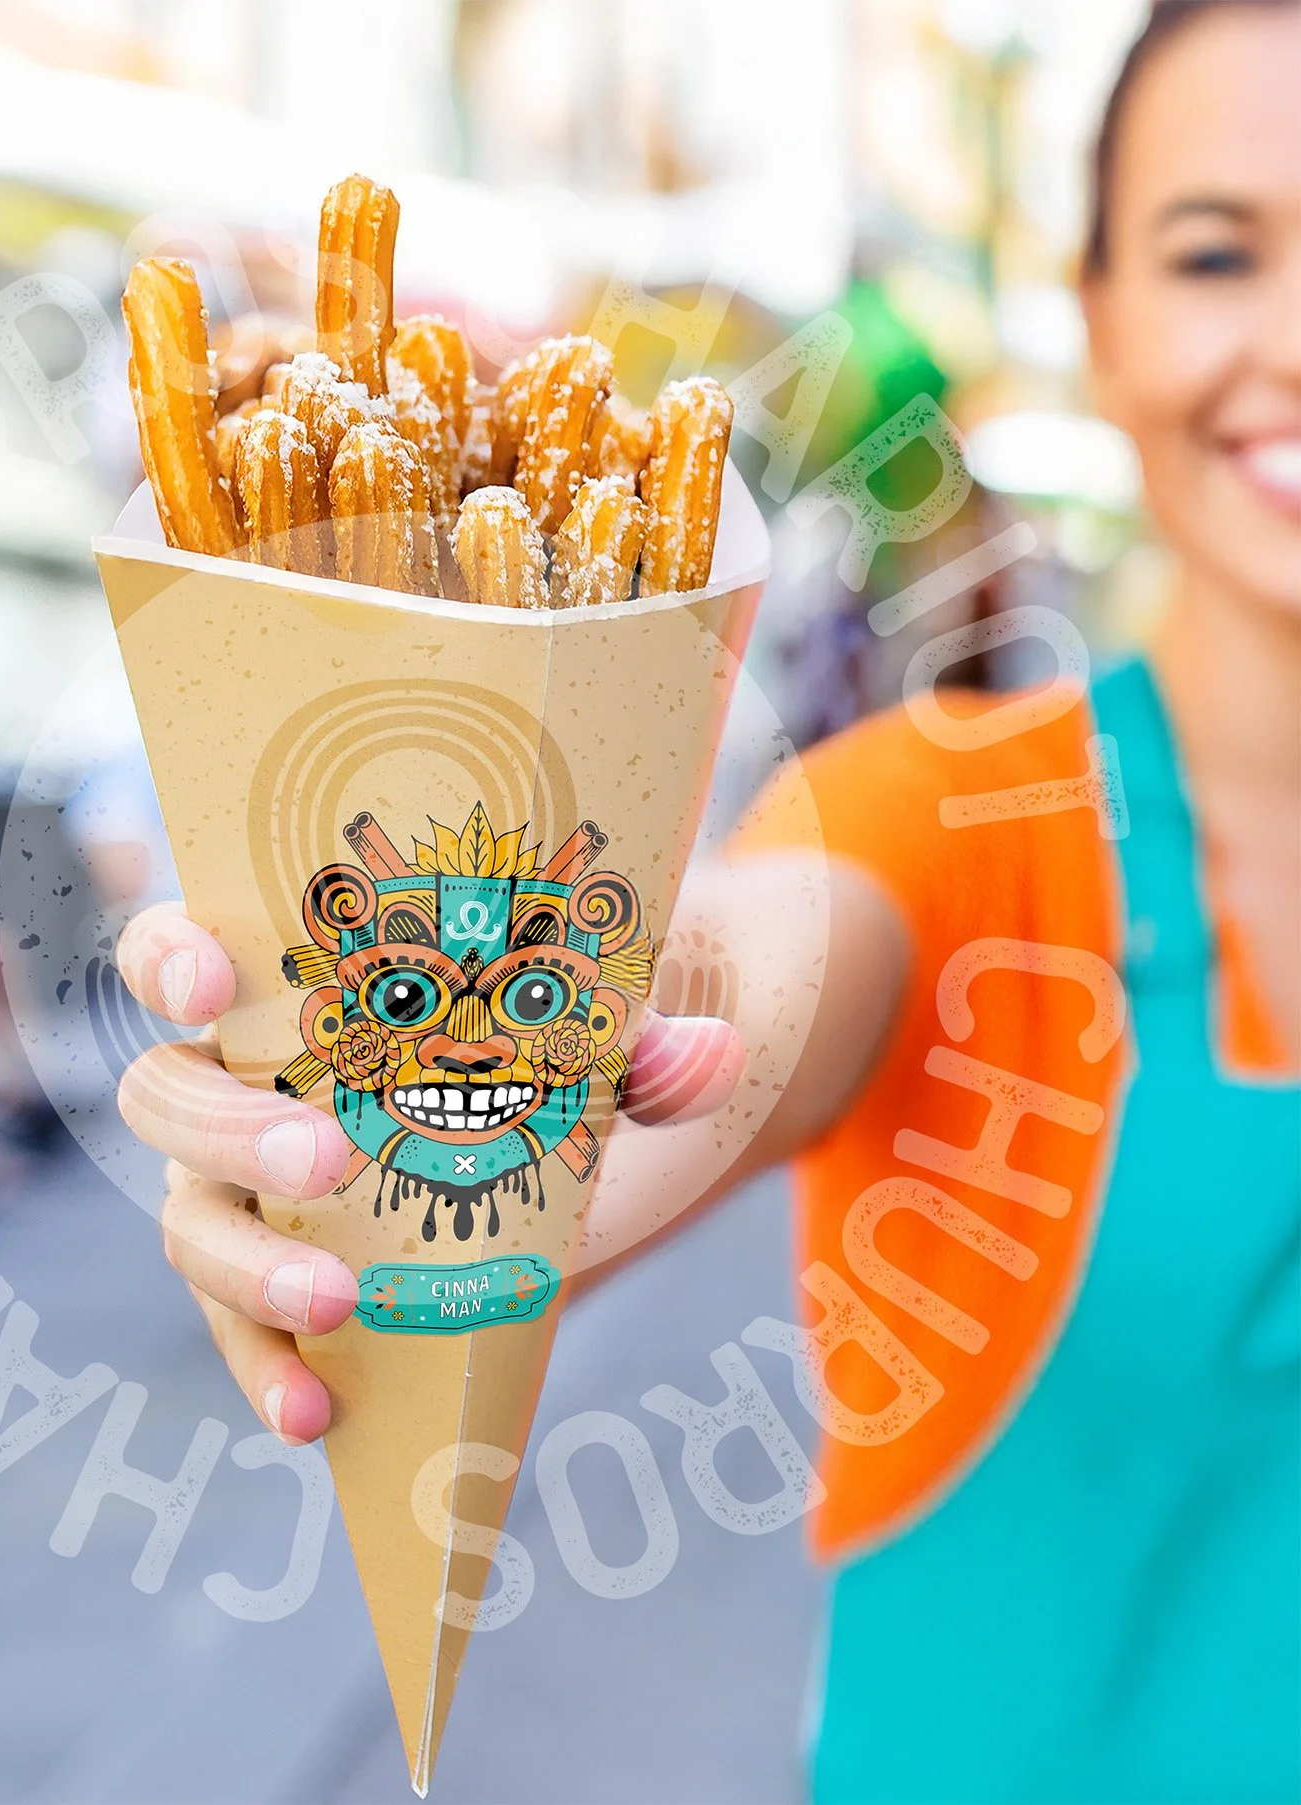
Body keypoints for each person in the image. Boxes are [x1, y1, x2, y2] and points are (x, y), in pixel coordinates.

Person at [108, 3, 1300, 1797]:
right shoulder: (960, 822)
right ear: (1101, 306)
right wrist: (519, 1065)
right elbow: (744, 980)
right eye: (1220, 253)